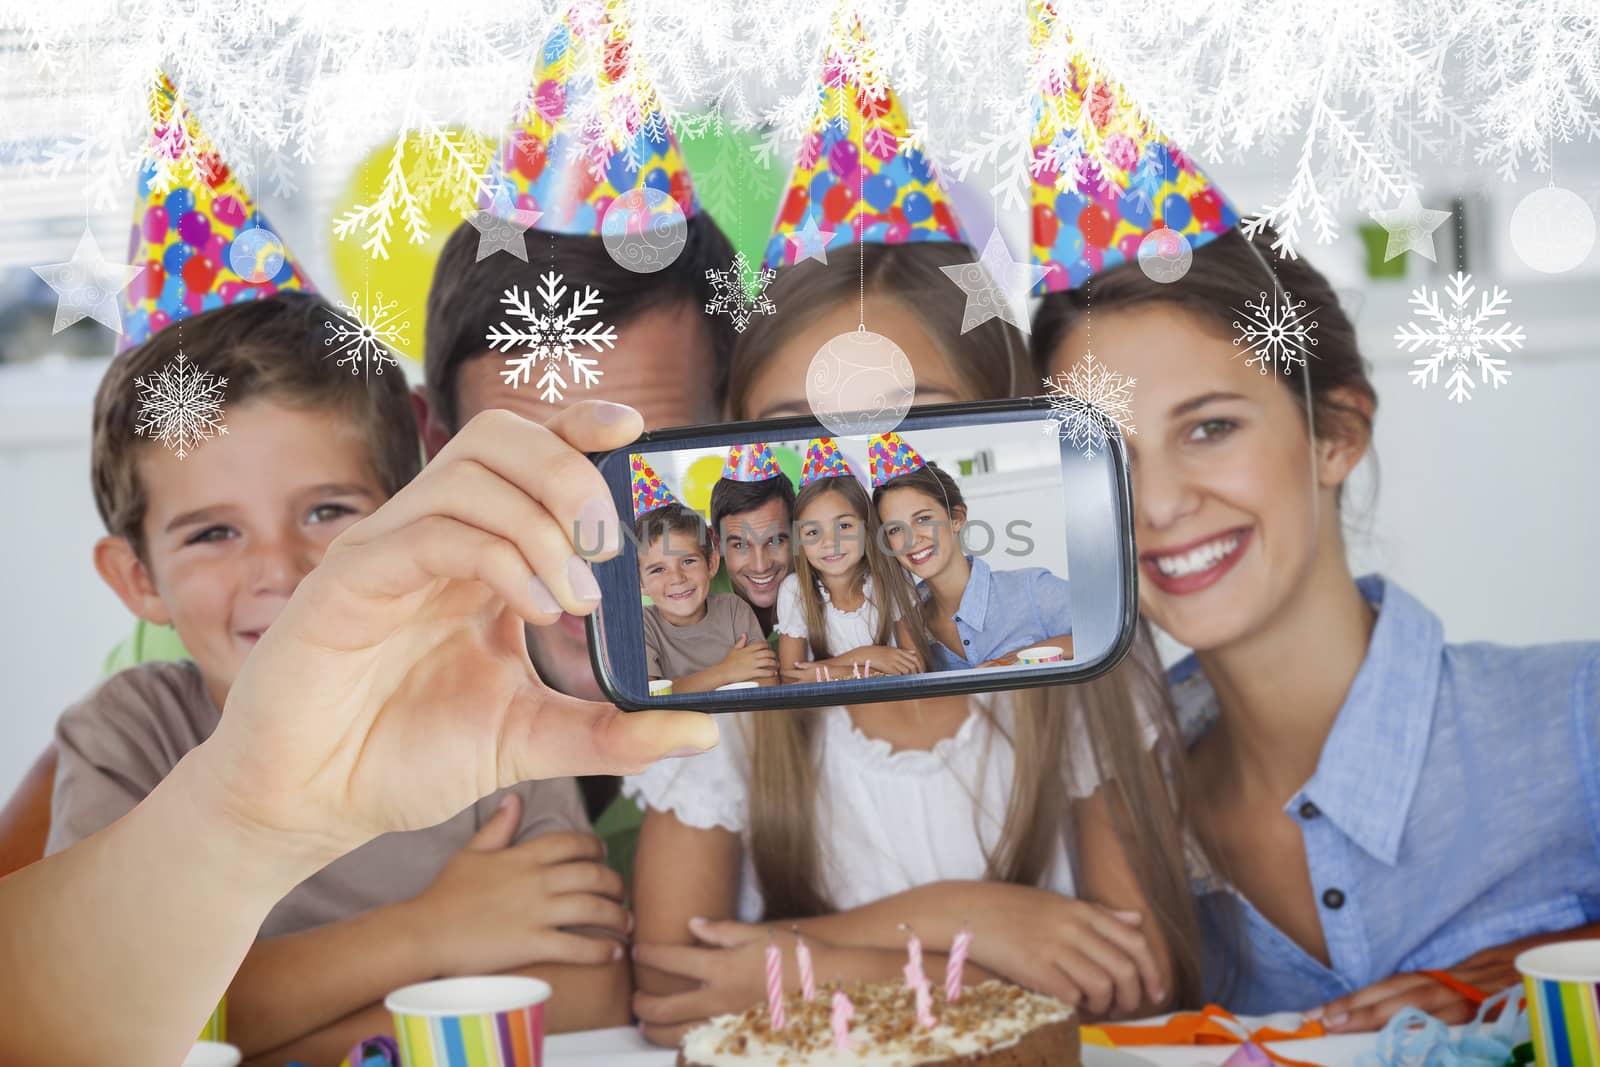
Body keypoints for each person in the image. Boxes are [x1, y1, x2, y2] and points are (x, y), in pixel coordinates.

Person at [625, 13, 1193, 1046]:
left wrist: (809, 961)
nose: (856, 478)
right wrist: (960, 922)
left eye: (916, 422)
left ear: (1008, 435)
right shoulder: (730, 697)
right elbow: (672, 986)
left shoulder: (1080, 661)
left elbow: (1134, 983)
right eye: (803, 438)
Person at [0, 401, 719, 1067]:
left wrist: (264, 1028)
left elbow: (586, 993)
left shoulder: (480, 686)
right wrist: (431, 932)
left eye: (327, 510)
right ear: (137, 577)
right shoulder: (130, 728)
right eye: (214, 531)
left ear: (414, 513)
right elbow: (112, 1021)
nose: (280, 571)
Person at [1033, 225, 1600, 1027]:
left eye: (1209, 427)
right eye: (1100, 457)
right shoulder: (1107, 826)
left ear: (1335, 435)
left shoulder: (1576, 717)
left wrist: (1545, 966)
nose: (1155, 503)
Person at [869, 434, 1074, 671]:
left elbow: (1107, 633)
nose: (911, 539)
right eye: (895, 529)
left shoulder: (1033, 589)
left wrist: (1016, 658)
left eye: (923, 519)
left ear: (956, 518)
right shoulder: (908, 628)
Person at [773, 438, 920, 681]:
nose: (830, 542)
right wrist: (867, 656)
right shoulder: (795, 590)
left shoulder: (891, 579)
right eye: (812, 532)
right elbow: (791, 677)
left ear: (867, 527)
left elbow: (916, 669)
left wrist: (827, 671)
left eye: (844, 525)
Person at [634, 475, 777, 691]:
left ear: (711, 563)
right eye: (658, 569)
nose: (677, 578)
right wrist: (726, 671)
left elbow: (768, 681)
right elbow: (649, 696)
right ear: (640, 583)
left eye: (688, 561)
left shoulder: (733, 609)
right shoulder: (642, 626)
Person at [708, 444, 796, 638]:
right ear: (717, 544)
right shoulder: (691, 590)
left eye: (774, 541)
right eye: (740, 545)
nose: (760, 566)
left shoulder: (825, 579)